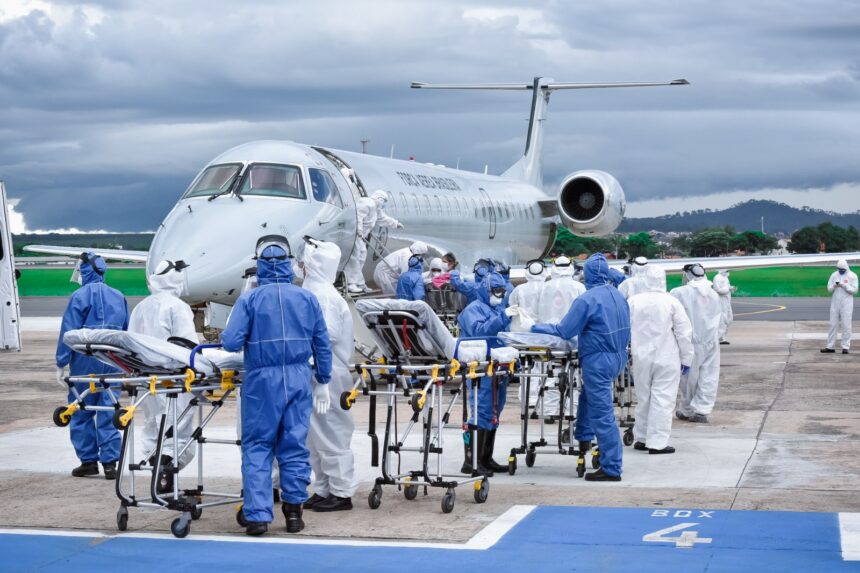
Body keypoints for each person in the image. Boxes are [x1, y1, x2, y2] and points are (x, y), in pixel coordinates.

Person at [221, 235, 333, 536]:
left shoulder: (250, 299)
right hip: (298, 378)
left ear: (259, 265)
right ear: (288, 264)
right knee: (294, 445)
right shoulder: (307, 298)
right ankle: (294, 513)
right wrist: (323, 380)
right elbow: (322, 344)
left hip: (262, 380)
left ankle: (257, 516)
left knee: (258, 446)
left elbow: (230, 342)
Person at [531, 253, 630, 481]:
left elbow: (565, 330)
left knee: (603, 414)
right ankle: (583, 435)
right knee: (588, 396)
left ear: (587, 274)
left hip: (598, 361)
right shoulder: (617, 295)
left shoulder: (587, 299)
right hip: (618, 357)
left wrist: (536, 328)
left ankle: (611, 467)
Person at [55, 252, 128, 479]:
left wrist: (61, 362)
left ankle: (88, 461)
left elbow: (69, 331)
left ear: (86, 270)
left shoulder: (79, 296)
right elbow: (126, 331)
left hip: (86, 359)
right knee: (110, 407)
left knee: (80, 407)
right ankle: (110, 464)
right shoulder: (118, 295)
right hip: (113, 358)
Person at [128, 259, 197, 492]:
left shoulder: (141, 307)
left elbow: (131, 342)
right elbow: (189, 347)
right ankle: (166, 478)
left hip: (147, 380)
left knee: (153, 425)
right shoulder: (177, 307)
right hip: (175, 380)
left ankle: (157, 475)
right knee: (178, 429)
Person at [300, 238, 358, 512]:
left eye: (303, 260)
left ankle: (341, 491)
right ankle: (324, 488)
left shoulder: (321, 294)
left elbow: (327, 334)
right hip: (316, 371)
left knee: (331, 432)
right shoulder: (313, 289)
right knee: (314, 436)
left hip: (328, 373)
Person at [628, 266, 693, 454]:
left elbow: (624, 328)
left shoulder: (633, 301)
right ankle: (657, 442)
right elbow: (683, 333)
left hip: (640, 356)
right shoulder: (671, 302)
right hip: (667, 356)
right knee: (663, 399)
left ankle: (641, 437)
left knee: (643, 398)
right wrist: (687, 358)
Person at [457, 272, 511, 476]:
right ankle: (470, 461)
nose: (500, 294)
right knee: (480, 412)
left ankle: (485, 458)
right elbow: (480, 331)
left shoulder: (496, 308)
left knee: (494, 412)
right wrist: (504, 317)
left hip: (497, 367)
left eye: (502, 291)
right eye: (497, 291)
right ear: (486, 290)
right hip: (479, 369)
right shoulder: (473, 309)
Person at [670, 263, 721, 424]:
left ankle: (691, 408)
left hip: (691, 341)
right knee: (709, 375)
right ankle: (700, 409)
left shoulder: (678, 292)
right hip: (711, 341)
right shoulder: (713, 293)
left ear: (688, 275)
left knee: (688, 378)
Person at [535, 256, 586, 417]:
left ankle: (549, 411)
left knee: (550, 374)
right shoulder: (579, 287)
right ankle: (572, 410)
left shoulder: (544, 287)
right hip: (573, 338)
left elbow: (537, 313)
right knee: (575, 376)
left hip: (549, 338)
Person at [344, 190, 403, 293]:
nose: (384, 204)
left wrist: (395, 223)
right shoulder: (367, 204)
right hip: (355, 235)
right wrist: (359, 230)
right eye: (384, 201)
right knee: (355, 258)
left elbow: (382, 218)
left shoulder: (376, 208)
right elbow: (358, 217)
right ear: (379, 199)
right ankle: (351, 283)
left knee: (361, 257)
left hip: (361, 237)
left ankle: (360, 283)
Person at [507, 260, 547, 408]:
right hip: (541, 333)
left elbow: (512, 305)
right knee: (541, 366)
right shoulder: (547, 288)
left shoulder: (519, 289)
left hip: (521, 334)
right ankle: (537, 398)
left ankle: (526, 399)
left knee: (525, 366)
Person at [822, 259, 858, 354]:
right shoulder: (834, 275)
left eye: (842, 269)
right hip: (835, 301)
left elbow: (855, 290)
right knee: (833, 324)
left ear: (846, 268)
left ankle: (845, 346)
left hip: (847, 302)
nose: (841, 271)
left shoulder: (852, 276)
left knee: (846, 324)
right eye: (839, 269)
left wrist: (845, 286)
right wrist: (834, 286)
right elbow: (829, 289)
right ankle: (830, 346)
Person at [712, 269, 735, 344]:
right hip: (721, 300)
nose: (728, 272)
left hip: (726, 300)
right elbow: (718, 290)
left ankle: (722, 336)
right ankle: (719, 338)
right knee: (722, 319)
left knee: (729, 318)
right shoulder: (717, 278)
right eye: (727, 270)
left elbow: (725, 288)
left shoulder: (725, 277)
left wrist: (730, 288)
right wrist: (728, 289)